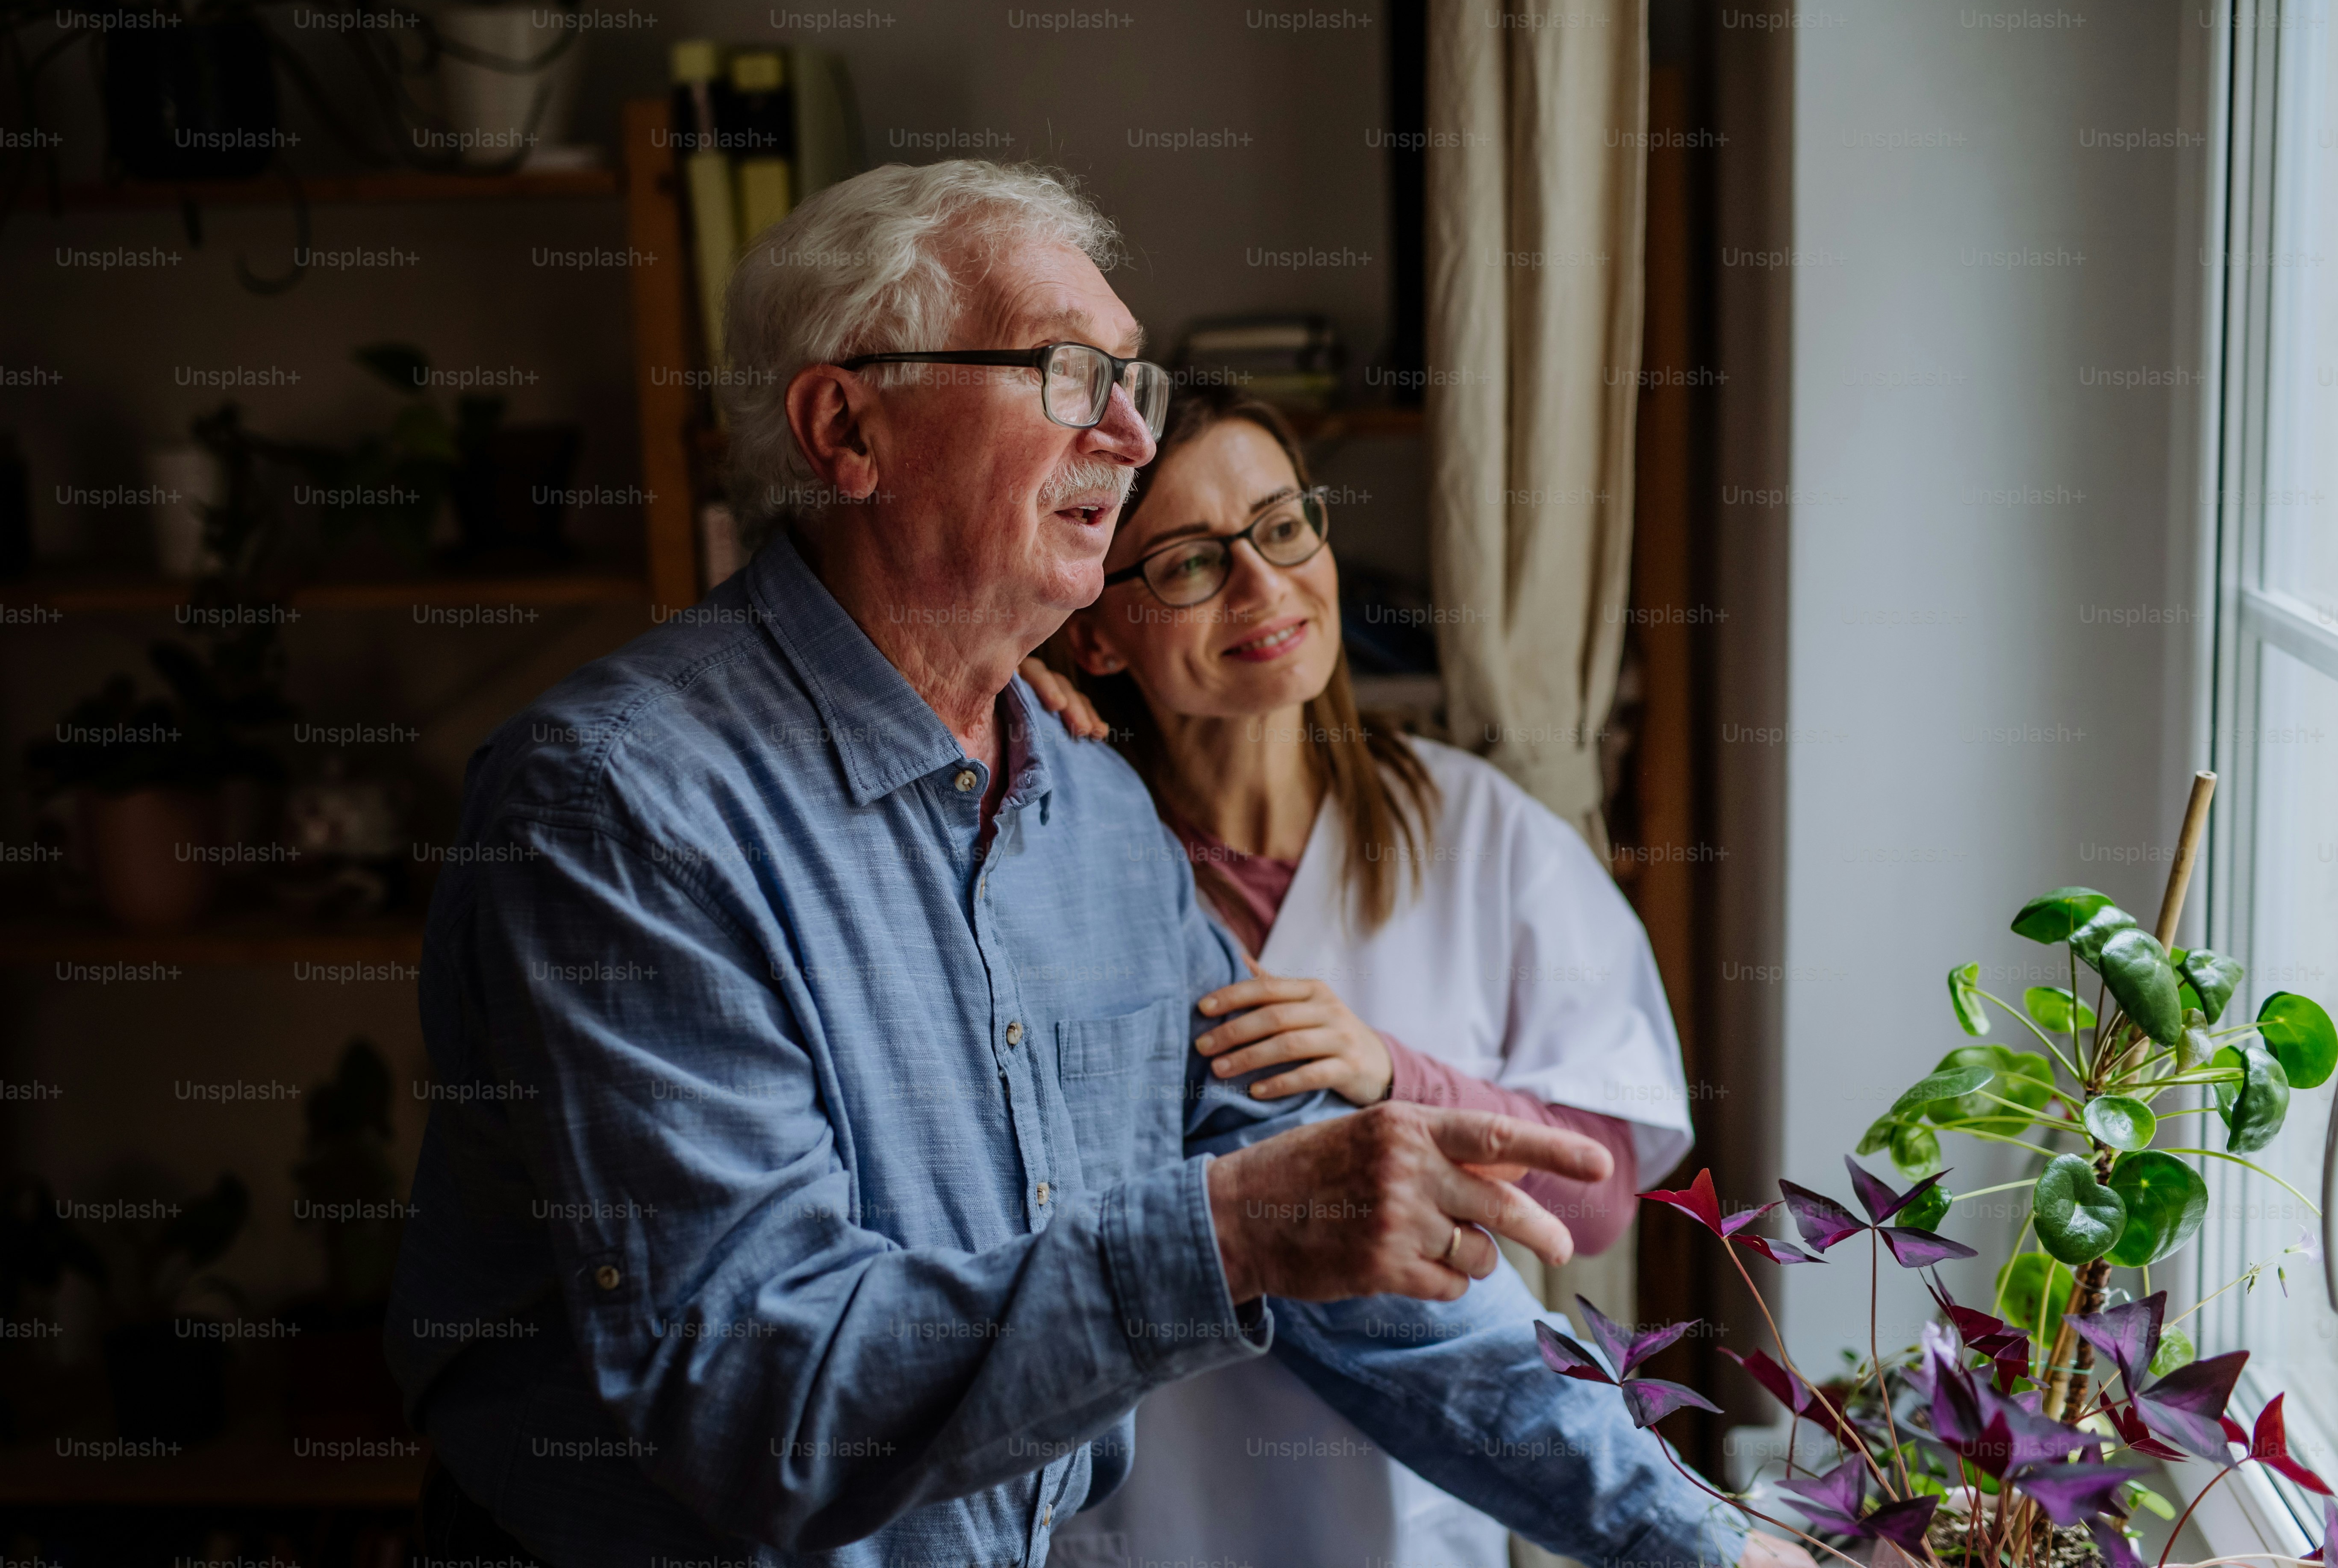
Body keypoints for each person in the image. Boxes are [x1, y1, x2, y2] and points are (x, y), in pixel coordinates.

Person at [385, 158, 1802, 1568]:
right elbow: (761, 1404)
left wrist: (1719, 1549)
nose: (1129, 437)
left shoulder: (1098, 823)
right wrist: (1232, 1233)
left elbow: (1364, 1270)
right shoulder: (622, 808)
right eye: (1066, 374)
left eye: (1136, 380)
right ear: (846, 429)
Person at [1023, 390, 1694, 1568]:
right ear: (1097, 632)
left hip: (1405, 1518)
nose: (1262, 587)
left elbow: (1593, 1197)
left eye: (1284, 528)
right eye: (1187, 563)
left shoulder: (1481, 834)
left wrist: (1397, 1076)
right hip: (1148, 1511)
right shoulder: (1056, 864)